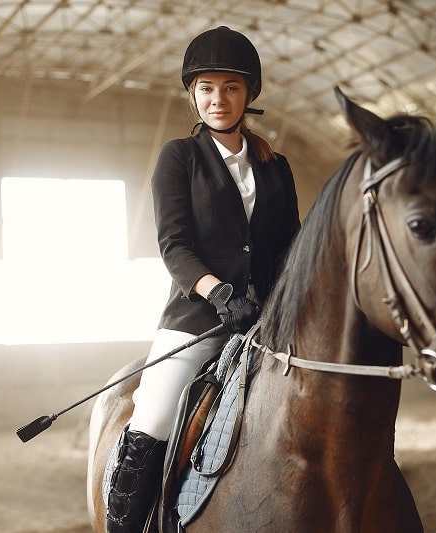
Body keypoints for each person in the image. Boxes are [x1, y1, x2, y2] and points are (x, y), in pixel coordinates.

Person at [105, 26, 300, 532]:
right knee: (153, 417)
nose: (219, 99)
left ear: (248, 94)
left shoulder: (276, 168)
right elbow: (174, 245)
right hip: (199, 318)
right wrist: (220, 292)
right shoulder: (179, 159)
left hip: (268, 322)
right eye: (208, 88)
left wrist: (281, 300)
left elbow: (291, 246)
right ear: (193, 93)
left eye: (231, 88)